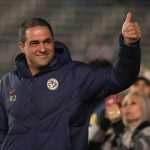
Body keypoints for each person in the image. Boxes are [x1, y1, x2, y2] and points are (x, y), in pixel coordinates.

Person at [0, 12, 141, 150]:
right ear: (22, 47)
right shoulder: (7, 83)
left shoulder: (76, 76)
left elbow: (121, 77)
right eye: (34, 43)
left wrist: (129, 46)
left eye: (47, 42)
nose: (42, 48)